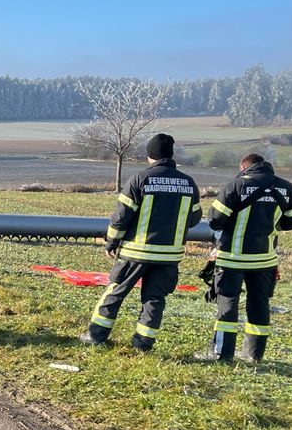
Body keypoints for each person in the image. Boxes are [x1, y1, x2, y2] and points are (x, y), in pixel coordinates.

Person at [79, 132, 201, 352]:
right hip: (169, 256)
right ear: (171, 155)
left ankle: (96, 336)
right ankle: (143, 344)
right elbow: (194, 218)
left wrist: (112, 242)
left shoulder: (140, 179)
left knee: (116, 292)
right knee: (155, 300)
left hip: (136, 252)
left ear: (150, 155)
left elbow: (121, 217)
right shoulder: (188, 183)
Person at [193, 153, 292, 364]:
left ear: (243, 167)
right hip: (265, 261)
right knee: (259, 305)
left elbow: (214, 220)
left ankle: (222, 354)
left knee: (227, 304)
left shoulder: (237, 185)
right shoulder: (287, 188)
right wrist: (272, 226)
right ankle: (254, 355)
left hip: (232, 259)